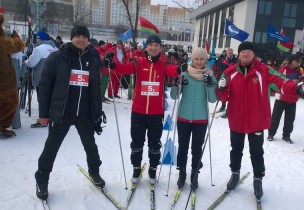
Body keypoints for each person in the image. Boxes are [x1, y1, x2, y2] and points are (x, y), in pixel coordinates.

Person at [218, 41, 304, 199]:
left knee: (257, 152)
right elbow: (223, 97)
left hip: (257, 120)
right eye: (242, 51)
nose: (245, 54)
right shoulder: (230, 72)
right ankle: (235, 174)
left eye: (248, 51)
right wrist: (221, 87)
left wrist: (295, 87)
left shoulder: (264, 71)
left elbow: (281, 82)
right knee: (236, 149)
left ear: (253, 54)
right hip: (237, 119)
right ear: (239, 55)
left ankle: (258, 179)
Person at [34, 25, 106, 200]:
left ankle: (94, 172)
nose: (81, 39)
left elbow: (96, 87)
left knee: (91, 147)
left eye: (84, 36)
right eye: (77, 36)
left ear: (88, 39)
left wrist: (97, 111)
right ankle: (42, 180)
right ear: (72, 38)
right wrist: (44, 114)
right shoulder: (58, 57)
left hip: (85, 113)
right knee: (51, 148)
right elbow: (44, 86)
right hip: (62, 113)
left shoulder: (93, 57)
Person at [104, 34, 186, 184]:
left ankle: (153, 169)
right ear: (146, 47)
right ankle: (136, 168)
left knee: (155, 143)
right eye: (151, 45)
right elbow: (126, 68)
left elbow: (171, 70)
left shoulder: (163, 63)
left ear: (160, 48)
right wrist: (114, 64)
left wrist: (179, 69)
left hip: (156, 112)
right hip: (138, 111)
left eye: (156, 45)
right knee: (137, 142)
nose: (153, 48)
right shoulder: (139, 61)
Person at [170, 47, 217, 190]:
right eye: (196, 58)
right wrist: (177, 84)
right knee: (183, 147)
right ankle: (182, 172)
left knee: (197, 149)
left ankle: (195, 174)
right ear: (192, 59)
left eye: (202, 59)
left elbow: (213, 100)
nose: (198, 61)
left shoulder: (210, 75)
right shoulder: (184, 72)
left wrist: (210, 84)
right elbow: (174, 96)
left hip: (200, 119)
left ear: (205, 60)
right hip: (184, 117)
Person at [268, 54, 304, 143]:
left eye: (299, 61)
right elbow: (279, 81)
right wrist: (292, 82)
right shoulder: (283, 69)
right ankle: (271, 133)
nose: (298, 63)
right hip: (282, 97)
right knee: (276, 117)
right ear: (291, 62)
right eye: (296, 61)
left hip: (293, 98)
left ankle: (286, 135)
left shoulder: (300, 71)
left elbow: (303, 81)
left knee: (290, 118)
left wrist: (300, 82)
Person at [25, 30, 58, 128]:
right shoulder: (55, 48)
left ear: (39, 38)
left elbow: (32, 63)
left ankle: (43, 120)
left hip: (42, 79)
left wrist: (26, 61)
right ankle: (52, 118)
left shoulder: (39, 49)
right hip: (55, 79)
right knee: (52, 99)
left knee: (43, 100)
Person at [0, 13, 25, 137]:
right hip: (4, 82)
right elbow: (18, 45)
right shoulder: (3, 42)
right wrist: (16, 36)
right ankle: (1, 127)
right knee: (8, 102)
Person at [217, 48, 237, 117]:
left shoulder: (235, 60)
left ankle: (228, 111)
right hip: (224, 77)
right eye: (229, 53)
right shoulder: (223, 59)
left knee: (232, 94)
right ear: (226, 53)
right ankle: (223, 106)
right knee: (223, 92)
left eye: (231, 53)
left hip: (232, 78)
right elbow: (220, 67)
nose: (230, 54)